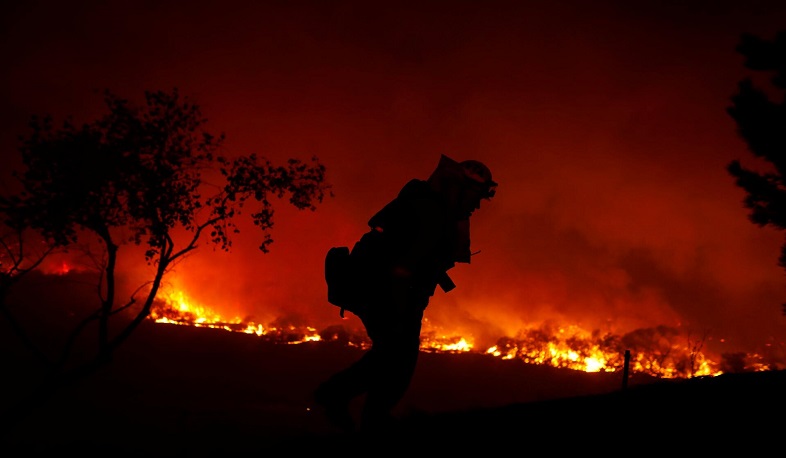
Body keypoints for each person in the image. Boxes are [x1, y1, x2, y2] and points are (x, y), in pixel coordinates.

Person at [314, 154, 497, 433]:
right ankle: (346, 403)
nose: (476, 205)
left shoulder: (435, 209)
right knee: (396, 358)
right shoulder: (430, 213)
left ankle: (363, 411)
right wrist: (401, 310)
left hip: (394, 294)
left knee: (395, 358)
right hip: (387, 294)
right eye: (474, 196)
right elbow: (403, 267)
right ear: (456, 188)